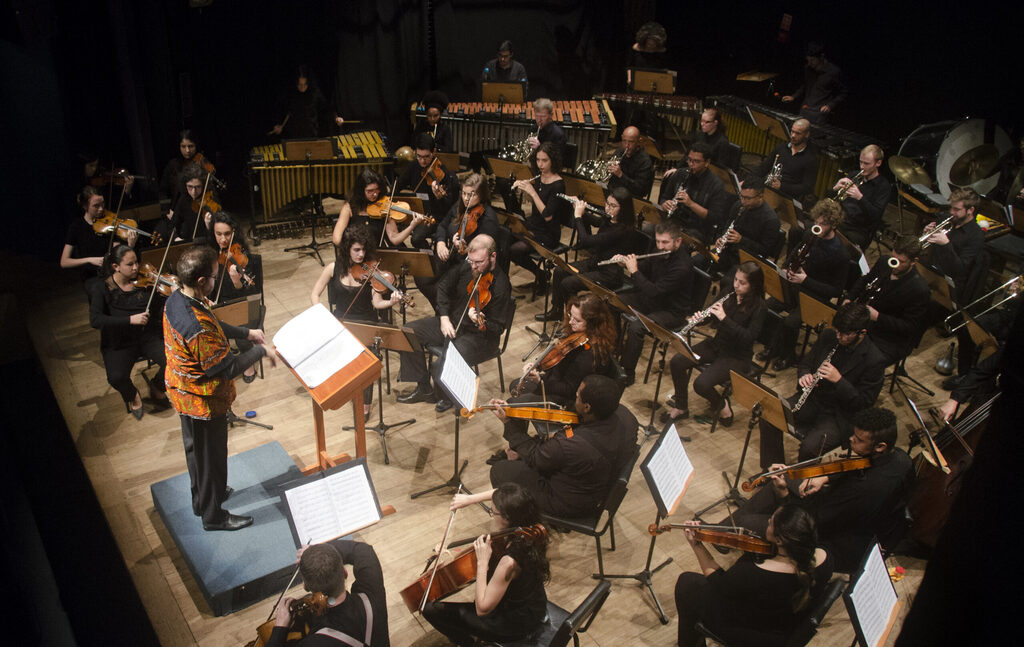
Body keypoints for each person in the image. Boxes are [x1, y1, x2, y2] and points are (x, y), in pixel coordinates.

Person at [163, 246, 277, 531]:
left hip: (184, 392)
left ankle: (203, 499)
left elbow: (212, 321)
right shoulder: (195, 327)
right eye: (215, 276)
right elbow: (227, 368)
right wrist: (262, 351)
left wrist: (246, 333)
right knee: (210, 457)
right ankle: (213, 516)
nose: (218, 280)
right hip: (201, 401)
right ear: (202, 281)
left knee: (197, 454)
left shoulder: (180, 298)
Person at [736, 407, 913, 573]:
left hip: (838, 538)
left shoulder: (865, 490)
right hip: (849, 516)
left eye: (859, 440)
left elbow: (812, 522)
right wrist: (826, 477)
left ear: (880, 446)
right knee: (779, 484)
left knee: (746, 522)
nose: (851, 439)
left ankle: (731, 531)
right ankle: (724, 527)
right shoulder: (901, 458)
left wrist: (784, 496)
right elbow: (858, 465)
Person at [479, 374, 638, 517]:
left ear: (588, 407)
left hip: (571, 500)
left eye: (577, 397)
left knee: (500, 470)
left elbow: (537, 459)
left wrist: (508, 422)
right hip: (598, 482)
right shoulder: (627, 417)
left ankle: (520, 519)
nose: (575, 399)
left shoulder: (571, 444)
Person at [674, 505, 833, 647]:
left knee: (687, 583)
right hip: (788, 626)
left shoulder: (752, 573)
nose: (768, 521)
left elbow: (719, 584)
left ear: (779, 540)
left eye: (771, 523)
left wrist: (697, 545)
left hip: (755, 633)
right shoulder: (826, 558)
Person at [758, 302, 886, 469]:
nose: (838, 336)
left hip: (839, 414)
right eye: (837, 331)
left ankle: (798, 484)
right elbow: (806, 363)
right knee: (768, 416)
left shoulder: (874, 360)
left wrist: (839, 381)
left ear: (862, 333)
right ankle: (773, 472)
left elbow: (864, 404)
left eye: (844, 334)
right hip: (813, 400)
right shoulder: (829, 336)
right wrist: (804, 375)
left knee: (809, 448)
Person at [396, 234, 512, 413]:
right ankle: (424, 389)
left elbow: (497, 328)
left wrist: (481, 322)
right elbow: (442, 286)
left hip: (479, 337)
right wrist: (443, 317)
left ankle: (445, 395)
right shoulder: (468, 268)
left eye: (479, 262)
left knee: (441, 363)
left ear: (493, 256)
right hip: (453, 323)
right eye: (471, 260)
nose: (473, 266)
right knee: (408, 331)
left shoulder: (501, 286)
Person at [425, 483, 549, 646]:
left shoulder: (509, 561)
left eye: (493, 512)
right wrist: (469, 499)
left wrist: (482, 563)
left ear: (507, 517)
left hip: (514, 623)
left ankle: (467, 642)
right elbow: (500, 493)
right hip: (535, 604)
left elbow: (482, 609)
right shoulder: (530, 530)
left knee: (429, 610)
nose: (491, 514)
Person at [311, 225, 402, 417]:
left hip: (366, 323)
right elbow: (314, 293)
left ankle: (364, 404)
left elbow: (376, 303)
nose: (361, 255)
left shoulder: (372, 272)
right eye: (356, 250)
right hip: (341, 323)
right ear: (347, 249)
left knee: (367, 360)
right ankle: (344, 388)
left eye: (363, 250)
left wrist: (391, 301)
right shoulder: (333, 268)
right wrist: (319, 311)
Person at [664, 261, 767, 427]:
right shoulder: (729, 292)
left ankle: (722, 404)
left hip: (737, 355)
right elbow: (713, 316)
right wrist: (700, 319)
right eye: (735, 280)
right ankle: (681, 407)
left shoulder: (760, 307)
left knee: (701, 384)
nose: (736, 285)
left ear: (753, 285)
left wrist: (724, 319)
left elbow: (748, 338)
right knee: (677, 361)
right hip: (717, 344)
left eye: (742, 283)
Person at [759, 199, 849, 370]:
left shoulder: (840, 254)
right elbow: (795, 252)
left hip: (816, 297)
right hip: (796, 286)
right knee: (766, 306)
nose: (818, 226)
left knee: (790, 323)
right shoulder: (810, 234)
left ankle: (789, 356)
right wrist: (786, 268)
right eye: (816, 222)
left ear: (834, 225)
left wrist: (806, 280)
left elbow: (836, 290)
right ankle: (772, 346)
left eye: (823, 224)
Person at [88, 244, 169, 420]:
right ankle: (132, 395)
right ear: (116, 267)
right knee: (116, 377)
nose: (135, 268)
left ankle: (157, 385)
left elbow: (158, 308)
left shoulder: (145, 284)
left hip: (147, 336)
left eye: (136, 263)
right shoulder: (102, 288)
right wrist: (129, 320)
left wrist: (170, 293)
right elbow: (95, 320)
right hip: (119, 342)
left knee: (172, 363)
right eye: (129, 265)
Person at [616, 220, 696, 385]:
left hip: (671, 311)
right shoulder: (660, 250)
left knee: (636, 327)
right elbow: (648, 266)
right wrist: (627, 263)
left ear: (678, 241)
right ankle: (613, 349)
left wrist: (634, 271)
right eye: (658, 241)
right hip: (653, 301)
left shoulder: (682, 266)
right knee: (611, 301)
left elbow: (654, 291)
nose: (660, 246)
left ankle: (627, 373)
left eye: (665, 242)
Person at [537, 188, 636, 320]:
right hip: (596, 263)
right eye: (607, 203)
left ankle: (575, 319)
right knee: (560, 271)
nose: (608, 208)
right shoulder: (609, 219)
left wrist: (578, 216)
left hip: (608, 273)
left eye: (613, 206)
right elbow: (595, 221)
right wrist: (576, 206)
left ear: (624, 209)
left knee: (568, 284)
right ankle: (557, 310)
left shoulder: (622, 230)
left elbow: (586, 241)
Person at [267, 539, 389, 647]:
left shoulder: (314, 643)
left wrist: (280, 628)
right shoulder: (372, 593)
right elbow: (363, 550)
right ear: (345, 573)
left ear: (305, 586)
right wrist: (322, 551)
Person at [511, 292, 618, 407]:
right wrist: (537, 364)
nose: (571, 321)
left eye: (577, 320)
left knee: (512, 404)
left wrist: (540, 381)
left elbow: (569, 389)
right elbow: (559, 359)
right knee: (515, 385)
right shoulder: (577, 334)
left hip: (567, 399)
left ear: (593, 323)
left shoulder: (588, 356)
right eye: (570, 315)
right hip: (557, 380)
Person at [843, 235, 930, 365]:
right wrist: (849, 298)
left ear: (913, 261)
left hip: (889, 339)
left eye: (901, 261)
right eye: (893, 258)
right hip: (866, 323)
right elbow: (865, 280)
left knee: (861, 362)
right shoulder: (885, 262)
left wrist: (878, 317)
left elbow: (909, 327)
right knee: (837, 341)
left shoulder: (919, 290)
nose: (894, 264)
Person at [418, 173, 501, 309]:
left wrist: (465, 248)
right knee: (422, 277)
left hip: (467, 264)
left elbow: (484, 252)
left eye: (471, 195)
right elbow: (443, 225)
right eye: (464, 193)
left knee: (441, 287)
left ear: (481, 195)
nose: (466, 199)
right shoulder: (459, 206)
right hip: (451, 256)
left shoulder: (488, 219)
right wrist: (440, 243)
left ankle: (445, 310)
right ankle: (440, 308)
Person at [507, 142, 570, 291]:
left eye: (545, 160)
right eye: (538, 160)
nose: (540, 164)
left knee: (514, 250)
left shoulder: (558, 184)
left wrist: (532, 192)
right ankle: (507, 283)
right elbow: (535, 204)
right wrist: (522, 189)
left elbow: (547, 216)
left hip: (548, 232)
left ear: (553, 161)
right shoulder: (539, 177)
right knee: (504, 237)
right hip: (534, 225)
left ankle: (540, 274)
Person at [331, 168, 428, 250]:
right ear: (361, 191)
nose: (375, 194)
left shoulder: (384, 207)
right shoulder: (349, 208)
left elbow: (394, 239)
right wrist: (354, 250)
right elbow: (336, 239)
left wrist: (412, 225)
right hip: (356, 255)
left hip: (377, 255)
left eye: (377, 190)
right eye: (370, 191)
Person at [657, 141, 731, 244]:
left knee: (675, 244)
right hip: (674, 222)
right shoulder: (681, 174)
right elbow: (664, 197)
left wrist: (691, 204)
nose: (691, 164)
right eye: (689, 160)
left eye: (696, 161)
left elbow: (715, 218)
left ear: (707, 162)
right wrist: (665, 204)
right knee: (649, 231)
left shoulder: (716, 185)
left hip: (698, 229)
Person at [61, 185, 136, 288]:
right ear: (85, 206)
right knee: (100, 289)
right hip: (92, 277)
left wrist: (130, 245)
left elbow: (117, 256)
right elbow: (64, 262)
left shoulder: (110, 224)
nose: (101, 209)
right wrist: (89, 260)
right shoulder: (76, 227)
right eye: (96, 206)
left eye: (103, 204)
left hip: (112, 273)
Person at [395, 132, 459, 249]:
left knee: (416, 239)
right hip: (416, 212)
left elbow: (448, 206)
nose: (422, 161)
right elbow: (399, 185)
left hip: (434, 216)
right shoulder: (414, 166)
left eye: (426, 157)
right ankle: (404, 253)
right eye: (419, 156)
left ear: (433, 152)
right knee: (391, 228)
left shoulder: (443, 174)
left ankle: (428, 256)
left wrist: (439, 197)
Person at [709, 178, 781, 279]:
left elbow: (765, 251)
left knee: (728, 281)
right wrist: (720, 238)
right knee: (700, 260)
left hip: (747, 261)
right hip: (728, 251)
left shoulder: (771, 220)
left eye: (748, 198)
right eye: (742, 196)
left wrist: (741, 240)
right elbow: (726, 225)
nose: (743, 201)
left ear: (760, 196)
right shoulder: (738, 205)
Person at [835, 144, 892, 248]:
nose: (862, 167)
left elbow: (876, 215)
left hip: (858, 230)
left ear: (878, 163)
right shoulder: (853, 175)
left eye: (866, 163)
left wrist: (860, 198)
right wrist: (836, 188)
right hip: (839, 220)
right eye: (861, 162)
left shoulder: (883, 186)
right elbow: (836, 199)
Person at [780, 42, 847, 125]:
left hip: (819, 114)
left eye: (812, 60)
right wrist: (793, 96)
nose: (809, 63)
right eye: (808, 60)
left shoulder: (834, 72)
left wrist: (830, 105)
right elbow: (805, 85)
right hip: (805, 110)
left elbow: (843, 93)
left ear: (821, 57)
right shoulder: (808, 69)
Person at [268, 66, 343, 139]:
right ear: (296, 83)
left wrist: (336, 117)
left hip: (311, 135)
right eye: (300, 84)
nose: (302, 87)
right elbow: (280, 109)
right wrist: (278, 124)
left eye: (305, 84)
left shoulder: (314, 93)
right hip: (293, 136)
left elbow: (327, 108)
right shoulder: (290, 94)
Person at [757, 118, 818, 201]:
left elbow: (807, 188)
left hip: (788, 197)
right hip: (769, 190)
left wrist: (781, 186)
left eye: (798, 133)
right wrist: (748, 182)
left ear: (806, 134)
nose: (793, 136)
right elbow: (763, 168)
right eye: (792, 131)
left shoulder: (811, 159)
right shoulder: (781, 148)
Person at [160, 164, 218, 243]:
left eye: (198, 187)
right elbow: (172, 226)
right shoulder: (183, 200)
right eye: (190, 187)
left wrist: (209, 227)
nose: (193, 192)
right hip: (188, 244)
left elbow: (221, 231)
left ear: (204, 186)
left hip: (207, 244)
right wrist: (176, 239)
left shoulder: (211, 200)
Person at [607, 126, 654, 200]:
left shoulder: (645, 161)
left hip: (632, 198)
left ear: (639, 141)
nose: (626, 146)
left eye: (631, 142)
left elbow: (641, 190)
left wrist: (621, 175)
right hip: (614, 194)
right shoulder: (619, 152)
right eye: (624, 141)